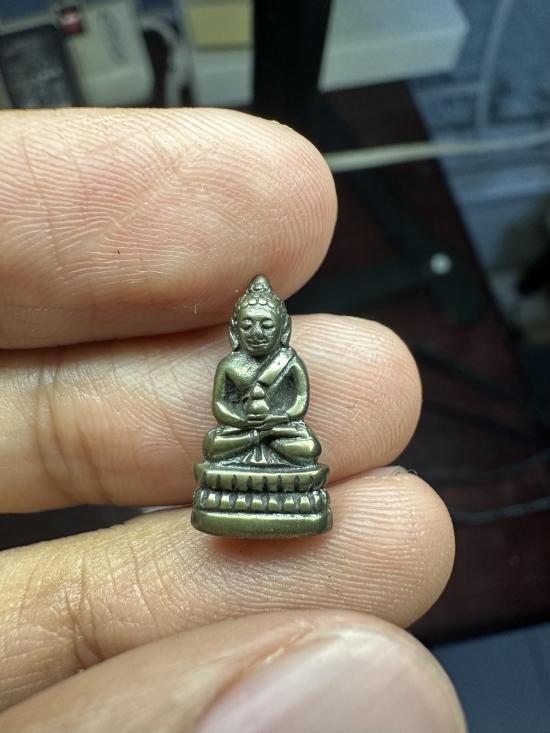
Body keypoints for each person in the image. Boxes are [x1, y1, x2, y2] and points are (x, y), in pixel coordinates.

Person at [0, 108, 465, 732]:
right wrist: (246, 421)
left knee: (302, 446)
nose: (256, 331)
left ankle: (270, 490)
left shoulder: (288, 362)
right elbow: (222, 408)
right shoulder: (232, 365)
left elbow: (297, 406)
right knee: (220, 441)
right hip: (242, 438)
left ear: (281, 326)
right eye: (248, 325)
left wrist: (271, 421)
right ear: (236, 329)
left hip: (275, 436)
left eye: (265, 325)